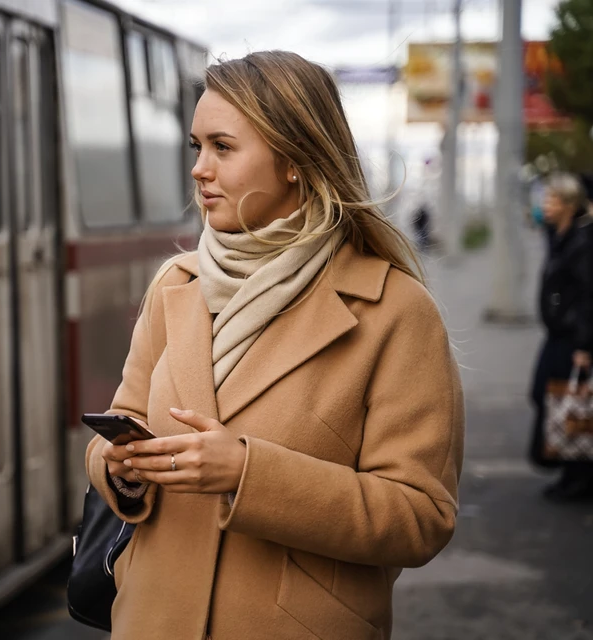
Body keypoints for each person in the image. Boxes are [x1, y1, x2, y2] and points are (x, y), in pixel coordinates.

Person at [84, 50, 464, 640]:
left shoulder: (394, 310)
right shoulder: (175, 286)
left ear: (293, 160)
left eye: (223, 147)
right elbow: (127, 416)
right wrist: (122, 467)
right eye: (196, 146)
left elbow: (421, 516)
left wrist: (247, 472)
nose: (198, 169)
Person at [529, 172, 593, 502]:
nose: (544, 205)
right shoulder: (560, 234)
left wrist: (584, 345)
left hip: (573, 339)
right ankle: (569, 468)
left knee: (572, 403)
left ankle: (578, 475)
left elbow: (587, 296)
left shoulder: (582, 241)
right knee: (548, 396)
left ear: (569, 204)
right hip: (558, 335)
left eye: (551, 199)